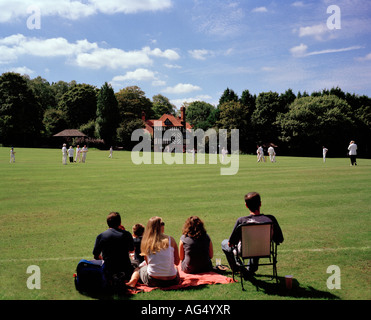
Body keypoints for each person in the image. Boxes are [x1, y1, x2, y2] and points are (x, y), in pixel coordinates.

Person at [221, 192, 284, 277]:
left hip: (245, 251)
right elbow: (279, 239)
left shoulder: (242, 221)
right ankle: (250, 269)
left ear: (246, 205)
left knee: (224, 243)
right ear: (260, 204)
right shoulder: (271, 219)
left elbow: (231, 243)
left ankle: (237, 268)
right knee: (256, 243)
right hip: (264, 249)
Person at [126, 216, 180, 288]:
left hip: (153, 280)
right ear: (159, 227)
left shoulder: (146, 241)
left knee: (138, 269)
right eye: (162, 224)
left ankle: (132, 281)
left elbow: (148, 263)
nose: (164, 225)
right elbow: (177, 262)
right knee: (176, 268)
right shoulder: (171, 240)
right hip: (172, 280)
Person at [93, 212, 135, 283]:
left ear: (107, 223)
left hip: (109, 270)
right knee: (137, 265)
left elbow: (96, 255)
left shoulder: (101, 236)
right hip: (125, 269)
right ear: (120, 222)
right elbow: (132, 250)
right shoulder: (127, 234)